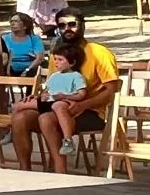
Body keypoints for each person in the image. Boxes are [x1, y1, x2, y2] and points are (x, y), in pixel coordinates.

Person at [10, 9, 119, 174]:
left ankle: (60, 171)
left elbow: (112, 90)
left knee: (47, 118)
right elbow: (54, 85)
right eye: (61, 25)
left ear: (82, 25)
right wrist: (41, 96)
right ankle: (24, 171)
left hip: (91, 111)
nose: (66, 29)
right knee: (20, 117)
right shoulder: (58, 55)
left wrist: (83, 105)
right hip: (59, 105)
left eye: (72, 24)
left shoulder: (99, 52)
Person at [10, 44, 87, 159]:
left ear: (72, 62)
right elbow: (46, 90)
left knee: (58, 106)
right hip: (48, 101)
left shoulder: (76, 76)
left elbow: (81, 95)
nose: (56, 62)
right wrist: (42, 95)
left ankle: (68, 140)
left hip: (62, 101)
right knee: (18, 106)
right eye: (55, 59)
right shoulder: (54, 76)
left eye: (60, 60)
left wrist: (65, 96)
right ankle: (11, 131)